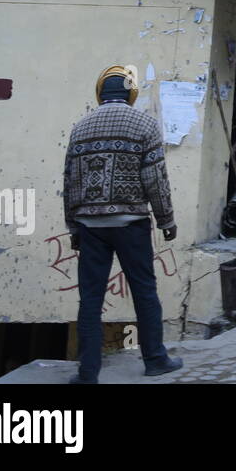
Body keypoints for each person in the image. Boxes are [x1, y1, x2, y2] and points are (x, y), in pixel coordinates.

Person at [64, 65, 182, 383]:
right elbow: (155, 179)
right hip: (131, 224)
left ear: (100, 93)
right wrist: (166, 219)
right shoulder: (145, 124)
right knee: (144, 292)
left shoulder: (80, 128)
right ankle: (155, 359)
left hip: (90, 226)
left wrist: (74, 227)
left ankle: (88, 372)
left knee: (90, 299)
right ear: (130, 95)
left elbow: (71, 182)